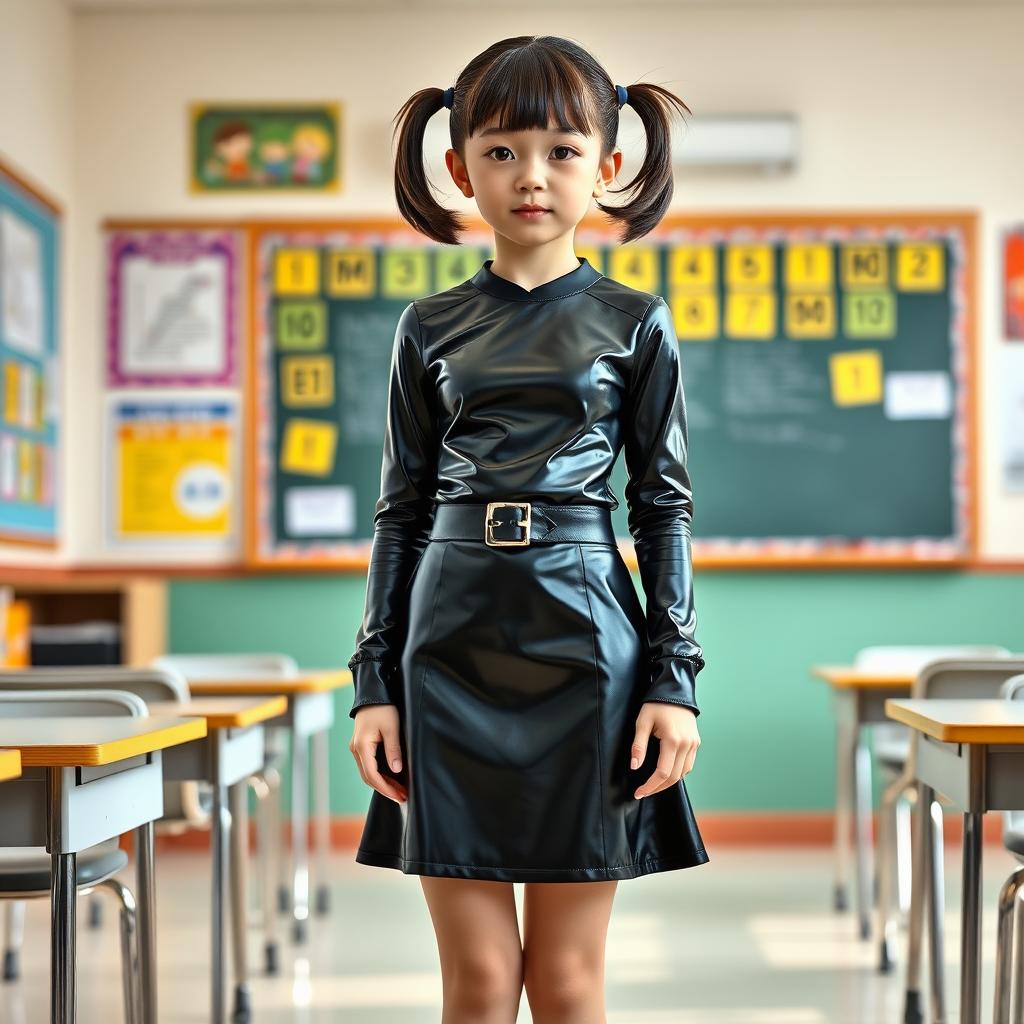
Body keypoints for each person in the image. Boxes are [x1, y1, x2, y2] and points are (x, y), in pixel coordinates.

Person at [348, 34, 707, 1023]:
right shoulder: (427, 325)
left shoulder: (636, 320)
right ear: (458, 167)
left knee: (566, 979)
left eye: (560, 151)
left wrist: (673, 680)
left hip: (587, 642)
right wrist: (372, 681)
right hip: (447, 646)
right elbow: (402, 508)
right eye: (501, 152)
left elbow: (662, 503)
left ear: (609, 164)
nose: (531, 177)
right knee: (472, 983)